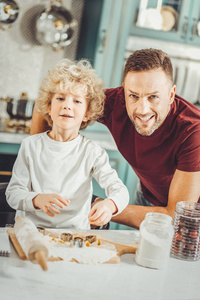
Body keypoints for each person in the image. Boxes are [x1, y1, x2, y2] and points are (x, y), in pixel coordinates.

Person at [30, 49, 200, 229]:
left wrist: (95, 206)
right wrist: (41, 165)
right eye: (133, 95)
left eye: (153, 97)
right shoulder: (115, 102)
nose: (142, 109)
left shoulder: (192, 131)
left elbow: (175, 217)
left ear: (171, 95)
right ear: (124, 90)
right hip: (147, 196)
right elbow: (45, 104)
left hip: (190, 216)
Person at [6, 59, 129, 229]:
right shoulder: (30, 146)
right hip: (31, 231)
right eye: (60, 98)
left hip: (74, 235)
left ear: (87, 113)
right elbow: (13, 193)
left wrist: (110, 205)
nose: (67, 106)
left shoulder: (93, 152)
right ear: (49, 106)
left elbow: (120, 190)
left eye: (77, 101)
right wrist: (36, 199)